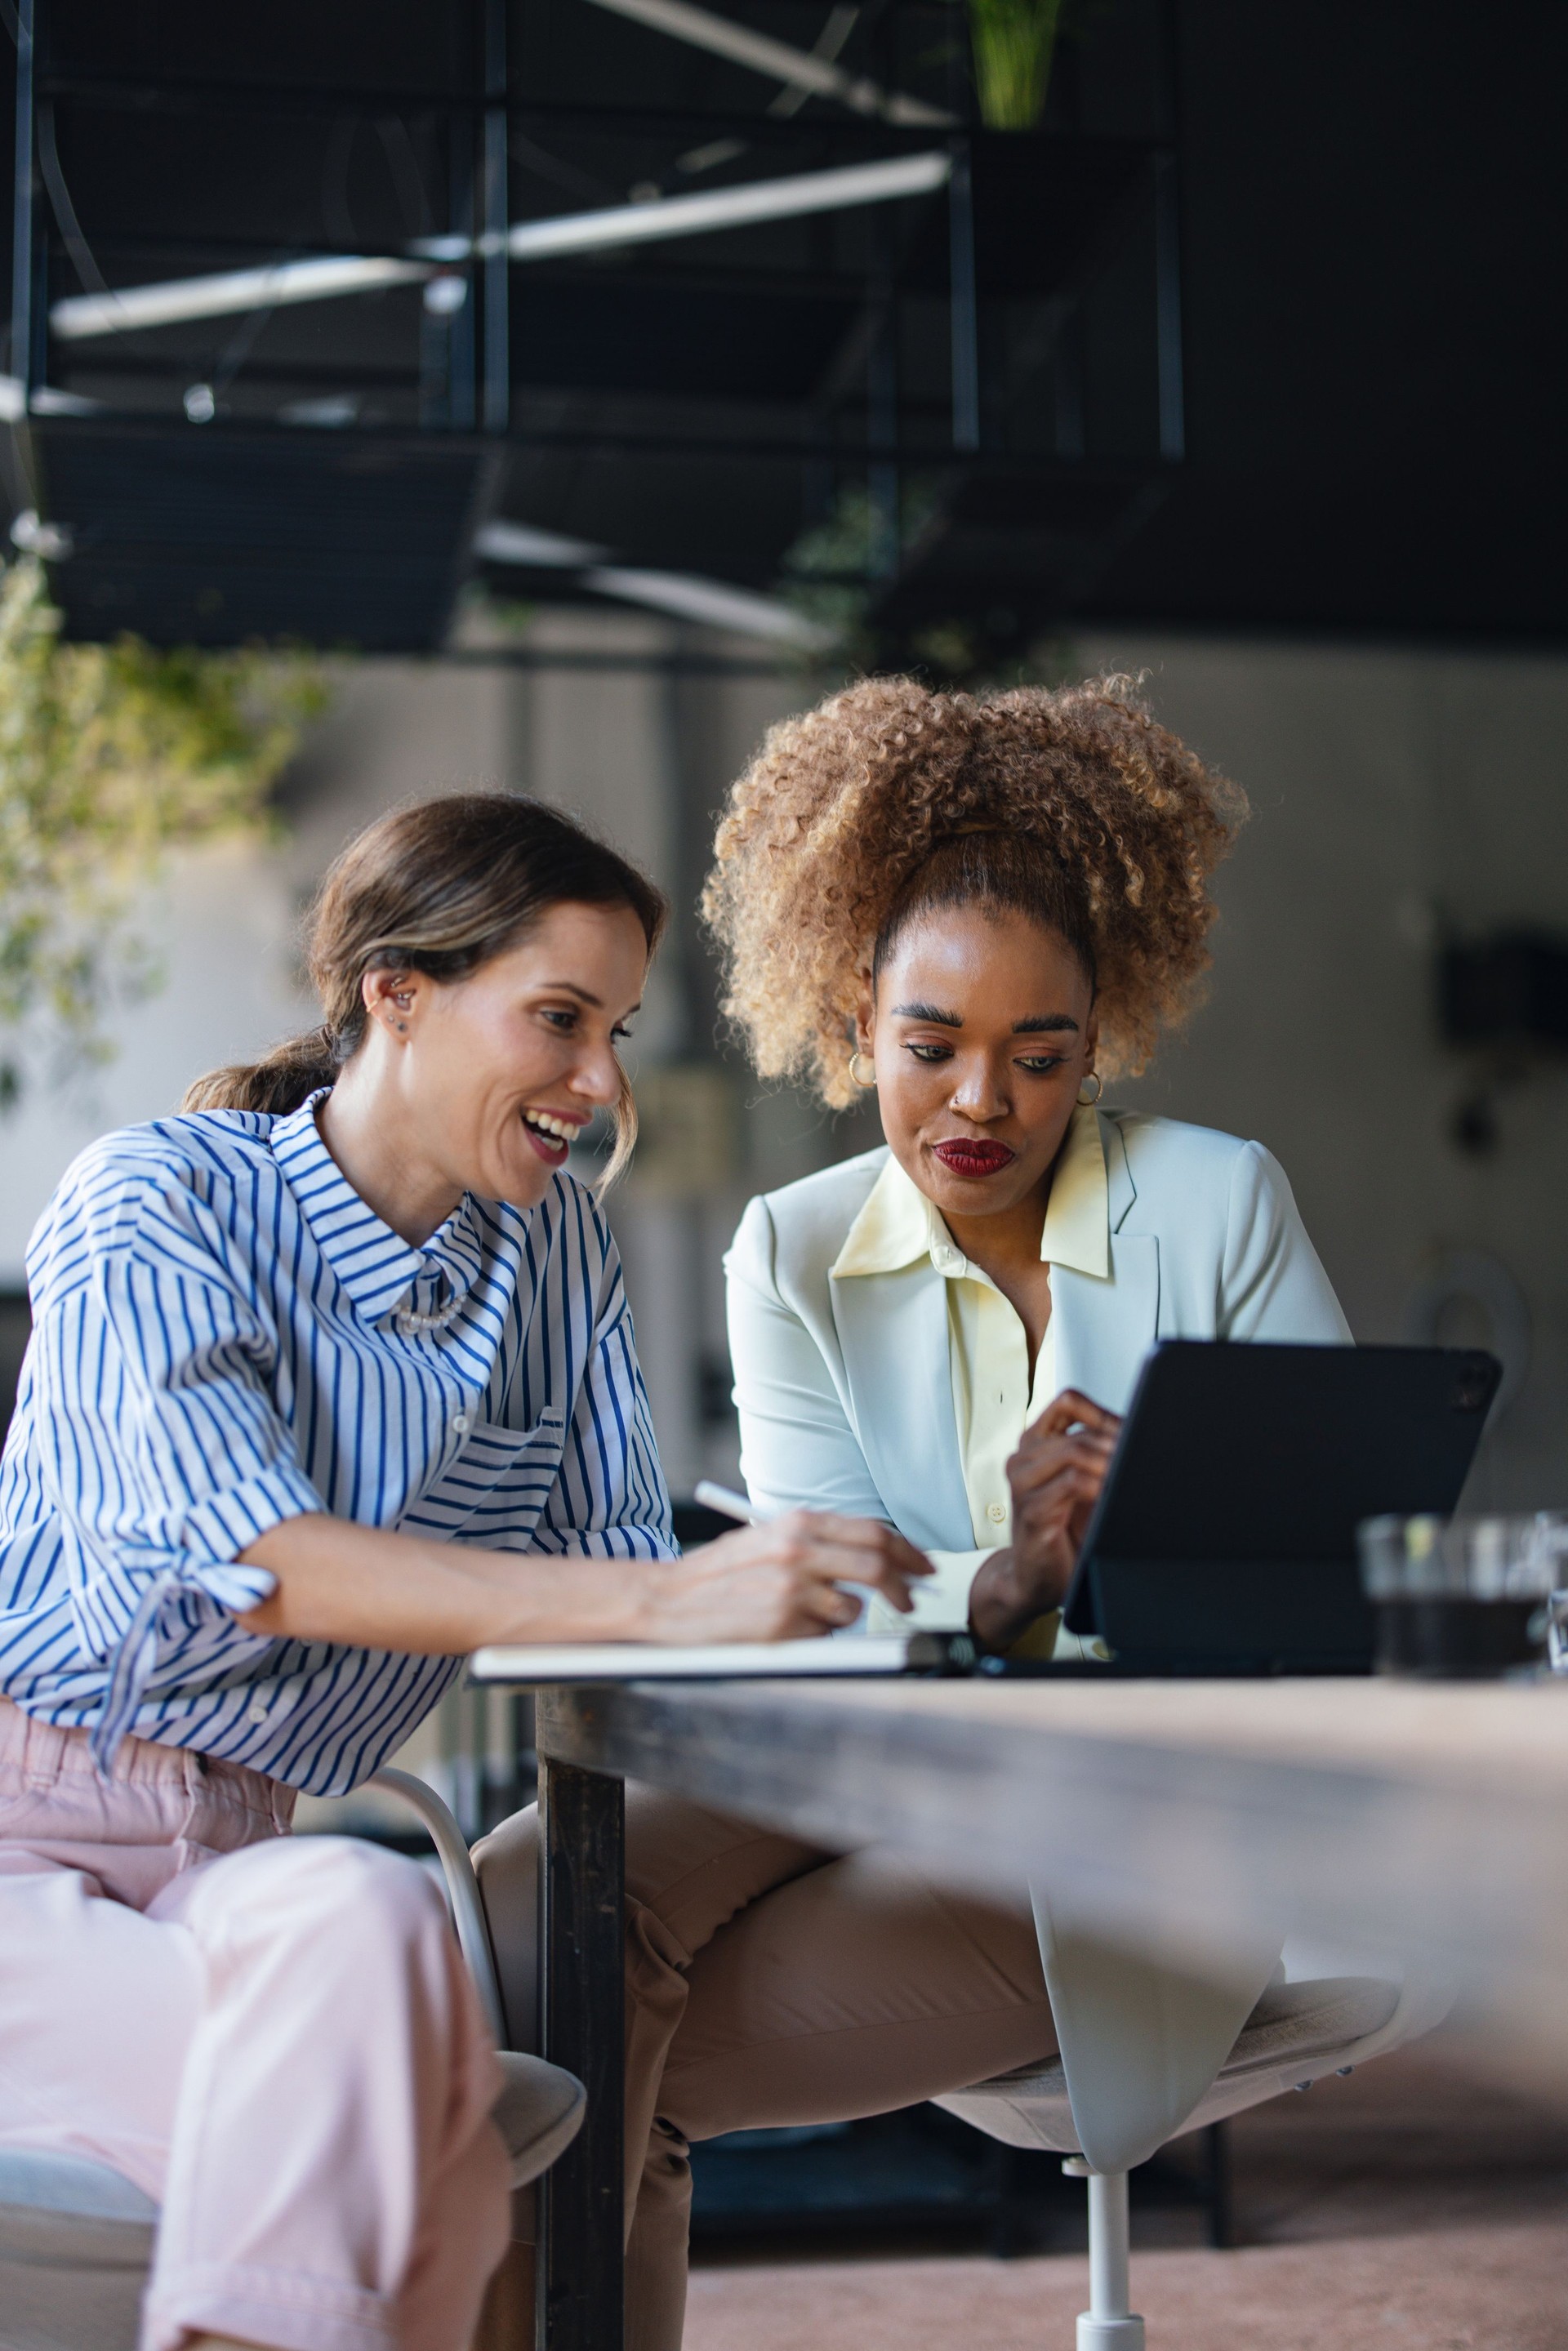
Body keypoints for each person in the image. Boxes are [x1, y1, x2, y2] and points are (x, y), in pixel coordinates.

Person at [474, 674, 1350, 2351]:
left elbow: (1325, 1568)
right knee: (521, 1924)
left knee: (586, 2064)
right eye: (930, 1047)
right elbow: (827, 1608)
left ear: (1104, 1042)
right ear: (852, 1020)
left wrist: (1071, 1593)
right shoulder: (793, 1252)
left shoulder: (1214, 1202)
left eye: (1042, 1056)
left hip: (1127, 1835)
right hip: (870, 1761)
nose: (980, 1104)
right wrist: (1011, 1577)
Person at [0, 792, 927, 2351]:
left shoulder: (553, 1253)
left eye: (617, 1027)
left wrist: (934, 1597)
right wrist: (662, 1598)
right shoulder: (154, 1198)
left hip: (239, 1855)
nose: (601, 1081)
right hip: (20, 1850)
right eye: (560, 1017)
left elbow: (625, 1570)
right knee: (416, 2137)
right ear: (396, 991)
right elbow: (257, 1558)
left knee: (369, 1927)